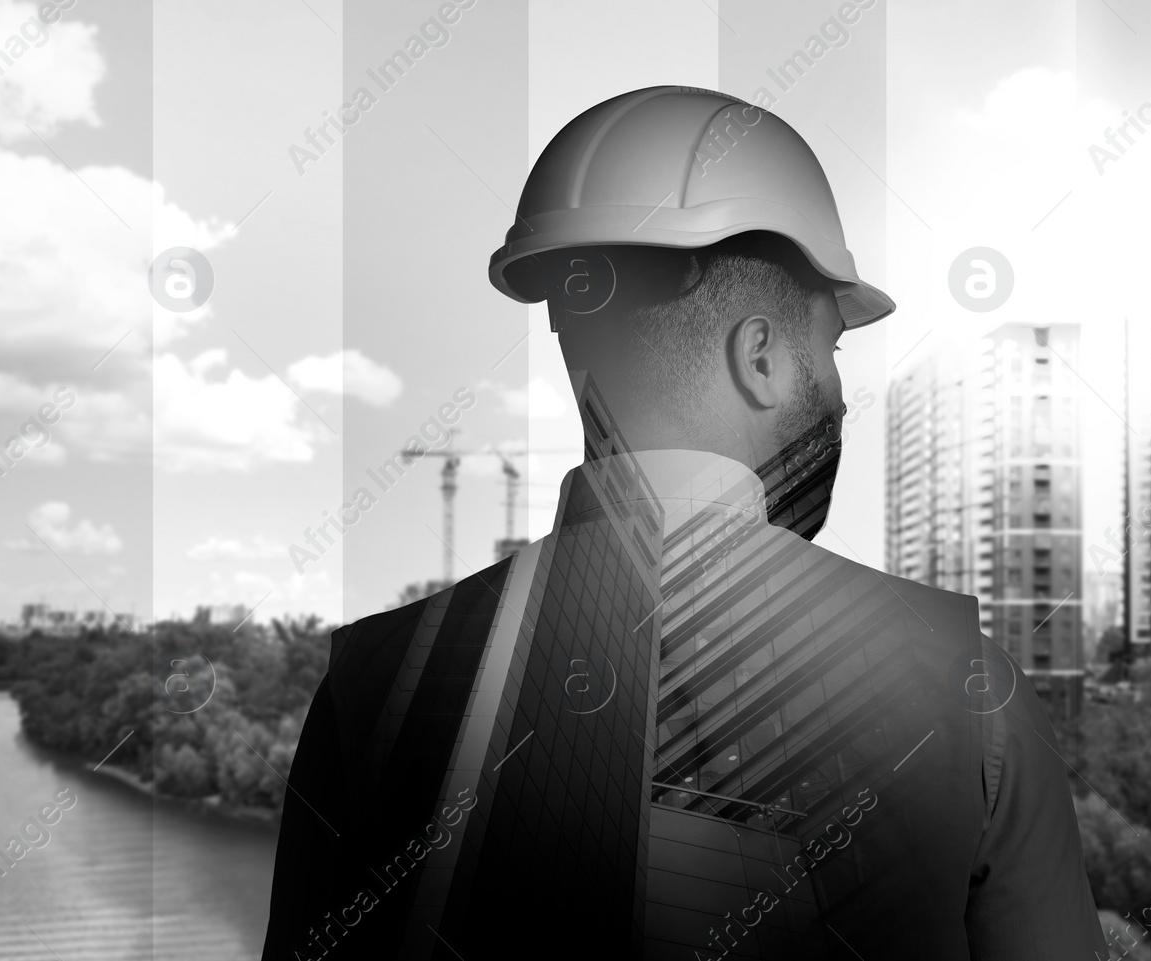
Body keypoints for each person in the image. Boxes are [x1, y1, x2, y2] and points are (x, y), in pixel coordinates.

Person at [261, 86, 1103, 961]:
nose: (841, 390)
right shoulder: (970, 693)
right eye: (832, 350)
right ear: (763, 357)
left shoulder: (371, 682)